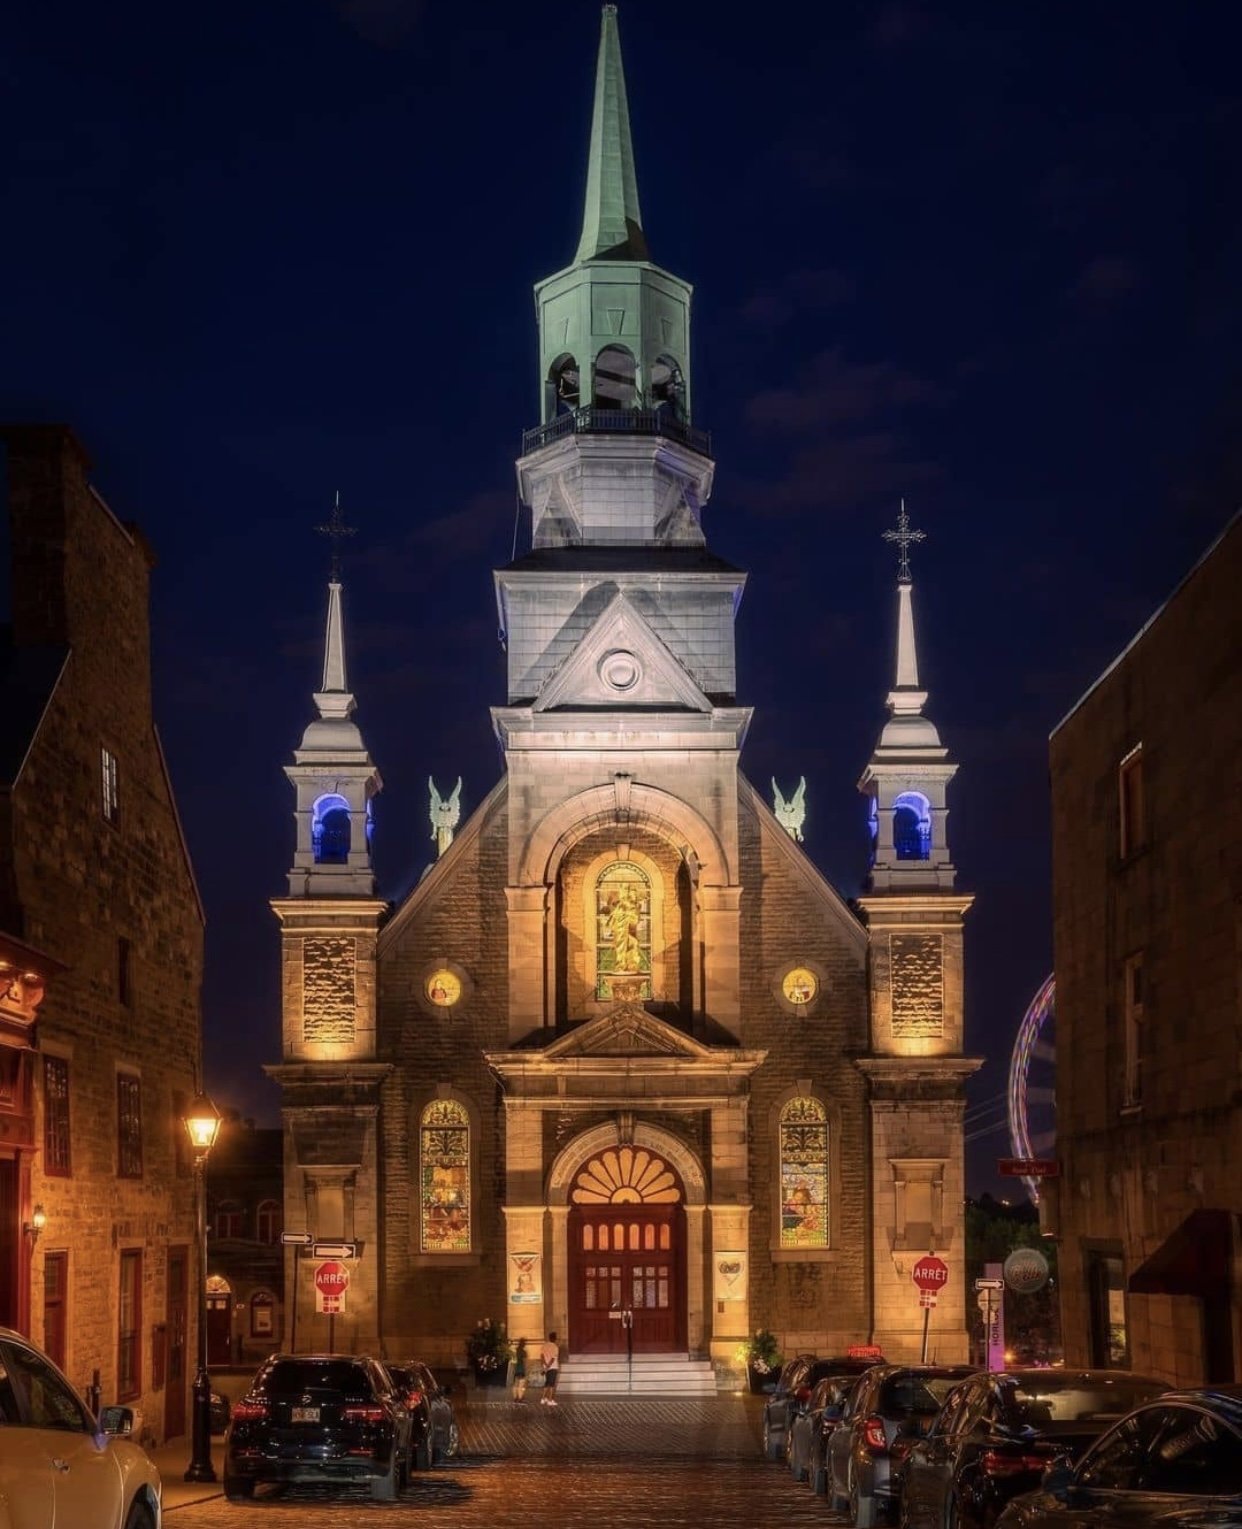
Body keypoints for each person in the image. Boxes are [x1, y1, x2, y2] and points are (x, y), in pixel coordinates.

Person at [539, 1332, 560, 1406]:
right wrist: (548, 1366)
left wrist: (544, 1365)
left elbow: (541, 1356)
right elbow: (553, 1359)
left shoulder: (544, 1346)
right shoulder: (555, 1347)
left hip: (546, 1368)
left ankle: (543, 1399)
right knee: (551, 1385)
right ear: (555, 1338)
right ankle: (550, 1400)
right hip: (553, 1367)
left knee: (547, 1383)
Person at [512, 1337, 528, 1403]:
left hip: (516, 1369)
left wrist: (513, 1369)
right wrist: (526, 1370)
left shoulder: (515, 1351)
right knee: (521, 1385)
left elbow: (513, 1361)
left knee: (515, 1384)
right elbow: (524, 1362)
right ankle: (520, 1398)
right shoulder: (523, 1352)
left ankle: (515, 1398)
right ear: (523, 1344)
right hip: (521, 1369)